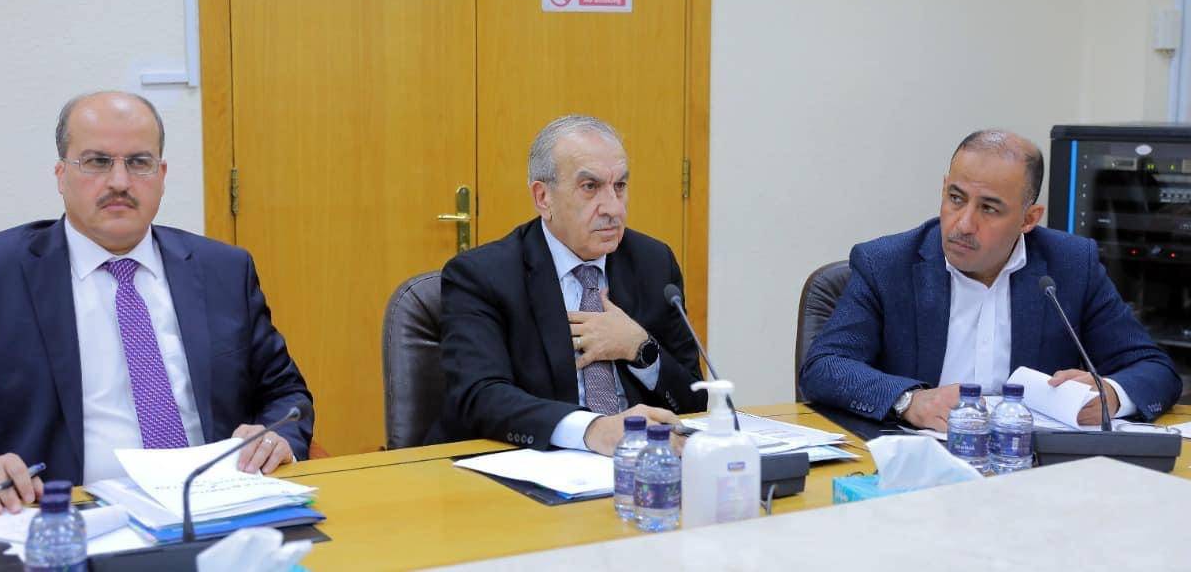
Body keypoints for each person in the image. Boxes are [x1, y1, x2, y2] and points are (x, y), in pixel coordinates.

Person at [0, 91, 313, 514]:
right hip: (58, 517)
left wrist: (277, 437)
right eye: (97, 161)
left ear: (161, 175)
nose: (119, 181)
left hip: (216, 509)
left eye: (138, 162)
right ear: (61, 174)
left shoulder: (223, 270)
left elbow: (285, 393)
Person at [799, 129, 1182, 431]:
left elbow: (1154, 369)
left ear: (1029, 219)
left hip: (1029, 466)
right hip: (918, 462)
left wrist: (1110, 394)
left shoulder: (1070, 266)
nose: (964, 224)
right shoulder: (887, 264)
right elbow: (824, 366)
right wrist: (910, 401)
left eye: (989, 208)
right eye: (956, 198)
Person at [427, 115, 706, 455]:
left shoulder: (653, 262)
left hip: (639, 463)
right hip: (533, 463)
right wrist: (592, 430)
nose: (614, 208)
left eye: (620, 186)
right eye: (590, 187)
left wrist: (641, 349)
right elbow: (479, 396)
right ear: (543, 197)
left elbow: (695, 401)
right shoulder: (482, 275)